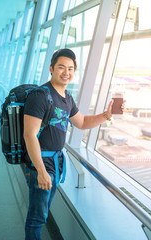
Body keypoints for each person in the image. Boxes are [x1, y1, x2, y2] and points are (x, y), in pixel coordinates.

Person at [24, 48, 124, 240]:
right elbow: (29, 135)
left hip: (55, 163)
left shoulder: (67, 97)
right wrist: (41, 171)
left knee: (42, 216)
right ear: (51, 68)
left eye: (70, 68)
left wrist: (107, 115)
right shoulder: (40, 96)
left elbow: (82, 123)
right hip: (41, 163)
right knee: (36, 219)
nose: (66, 72)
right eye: (61, 67)